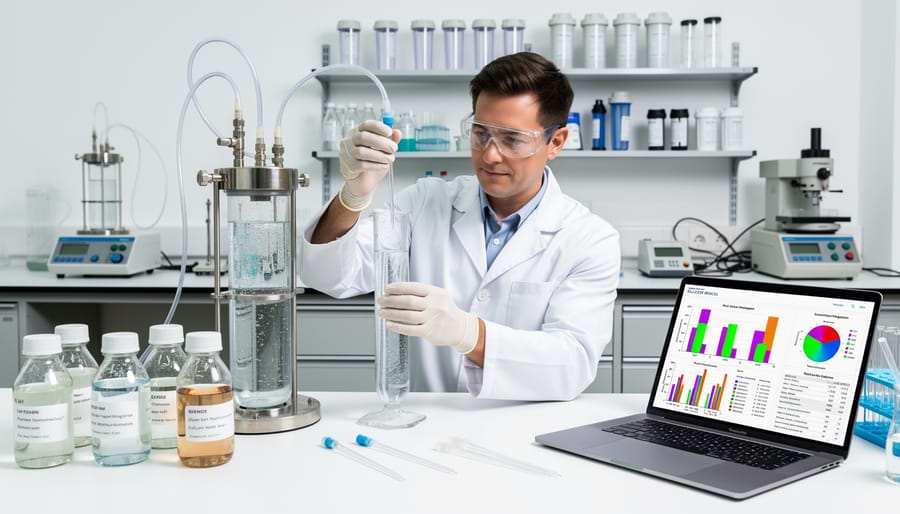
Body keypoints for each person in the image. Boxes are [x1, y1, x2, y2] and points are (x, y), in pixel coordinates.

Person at [301, 52, 620, 401]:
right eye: (480, 133)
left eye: (512, 139)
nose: (489, 155)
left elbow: (571, 365)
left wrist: (468, 333)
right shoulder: (425, 202)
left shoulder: (590, 239)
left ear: (555, 142)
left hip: (524, 432)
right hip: (427, 426)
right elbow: (329, 276)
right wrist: (352, 195)